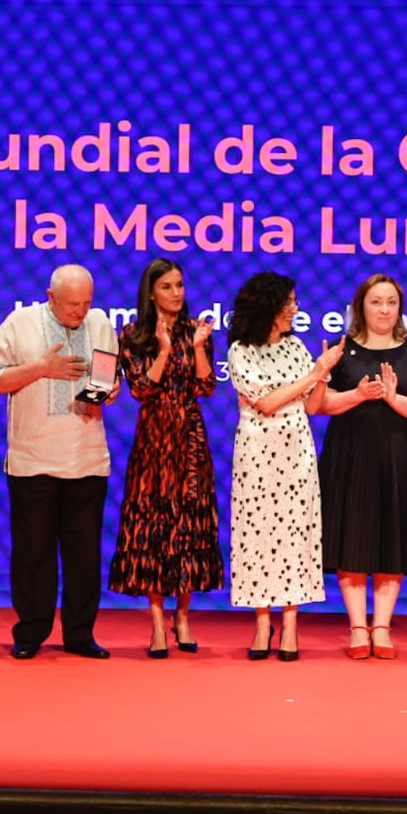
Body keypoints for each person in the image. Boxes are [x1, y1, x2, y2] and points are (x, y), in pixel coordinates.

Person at [0, 264, 119, 660]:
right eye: (72, 304)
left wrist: (108, 393)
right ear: (50, 296)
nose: (81, 311)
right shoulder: (20, 322)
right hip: (32, 460)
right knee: (33, 554)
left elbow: (111, 376)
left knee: (83, 556)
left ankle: (80, 634)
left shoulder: (101, 323)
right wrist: (42, 368)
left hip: (88, 459)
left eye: (86, 303)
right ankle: (31, 632)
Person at [107, 258, 223, 658]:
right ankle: (157, 621)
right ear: (151, 292)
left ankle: (183, 616)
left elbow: (206, 386)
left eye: (180, 285)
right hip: (154, 442)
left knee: (188, 526)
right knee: (155, 527)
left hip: (190, 438)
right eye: (168, 287)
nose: (177, 293)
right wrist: (163, 350)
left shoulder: (198, 331)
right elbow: (141, 389)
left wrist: (194, 348)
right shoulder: (133, 335)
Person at [317, 275, 407, 661]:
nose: (384, 310)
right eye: (376, 302)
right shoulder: (342, 350)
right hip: (349, 453)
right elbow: (320, 405)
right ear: (360, 307)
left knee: (392, 537)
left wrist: (392, 396)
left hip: (397, 454)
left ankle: (381, 626)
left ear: (399, 309)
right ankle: (356, 627)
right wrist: (357, 394)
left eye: (391, 303)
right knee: (351, 537)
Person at [226, 272, 344, 661]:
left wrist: (322, 375)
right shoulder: (241, 350)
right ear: (268, 308)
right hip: (258, 452)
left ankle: (291, 623)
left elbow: (311, 406)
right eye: (287, 304)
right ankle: (263, 622)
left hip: (297, 451)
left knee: (295, 532)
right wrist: (312, 374)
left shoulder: (296, 347)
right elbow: (265, 401)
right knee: (257, 532)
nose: (294, 310)